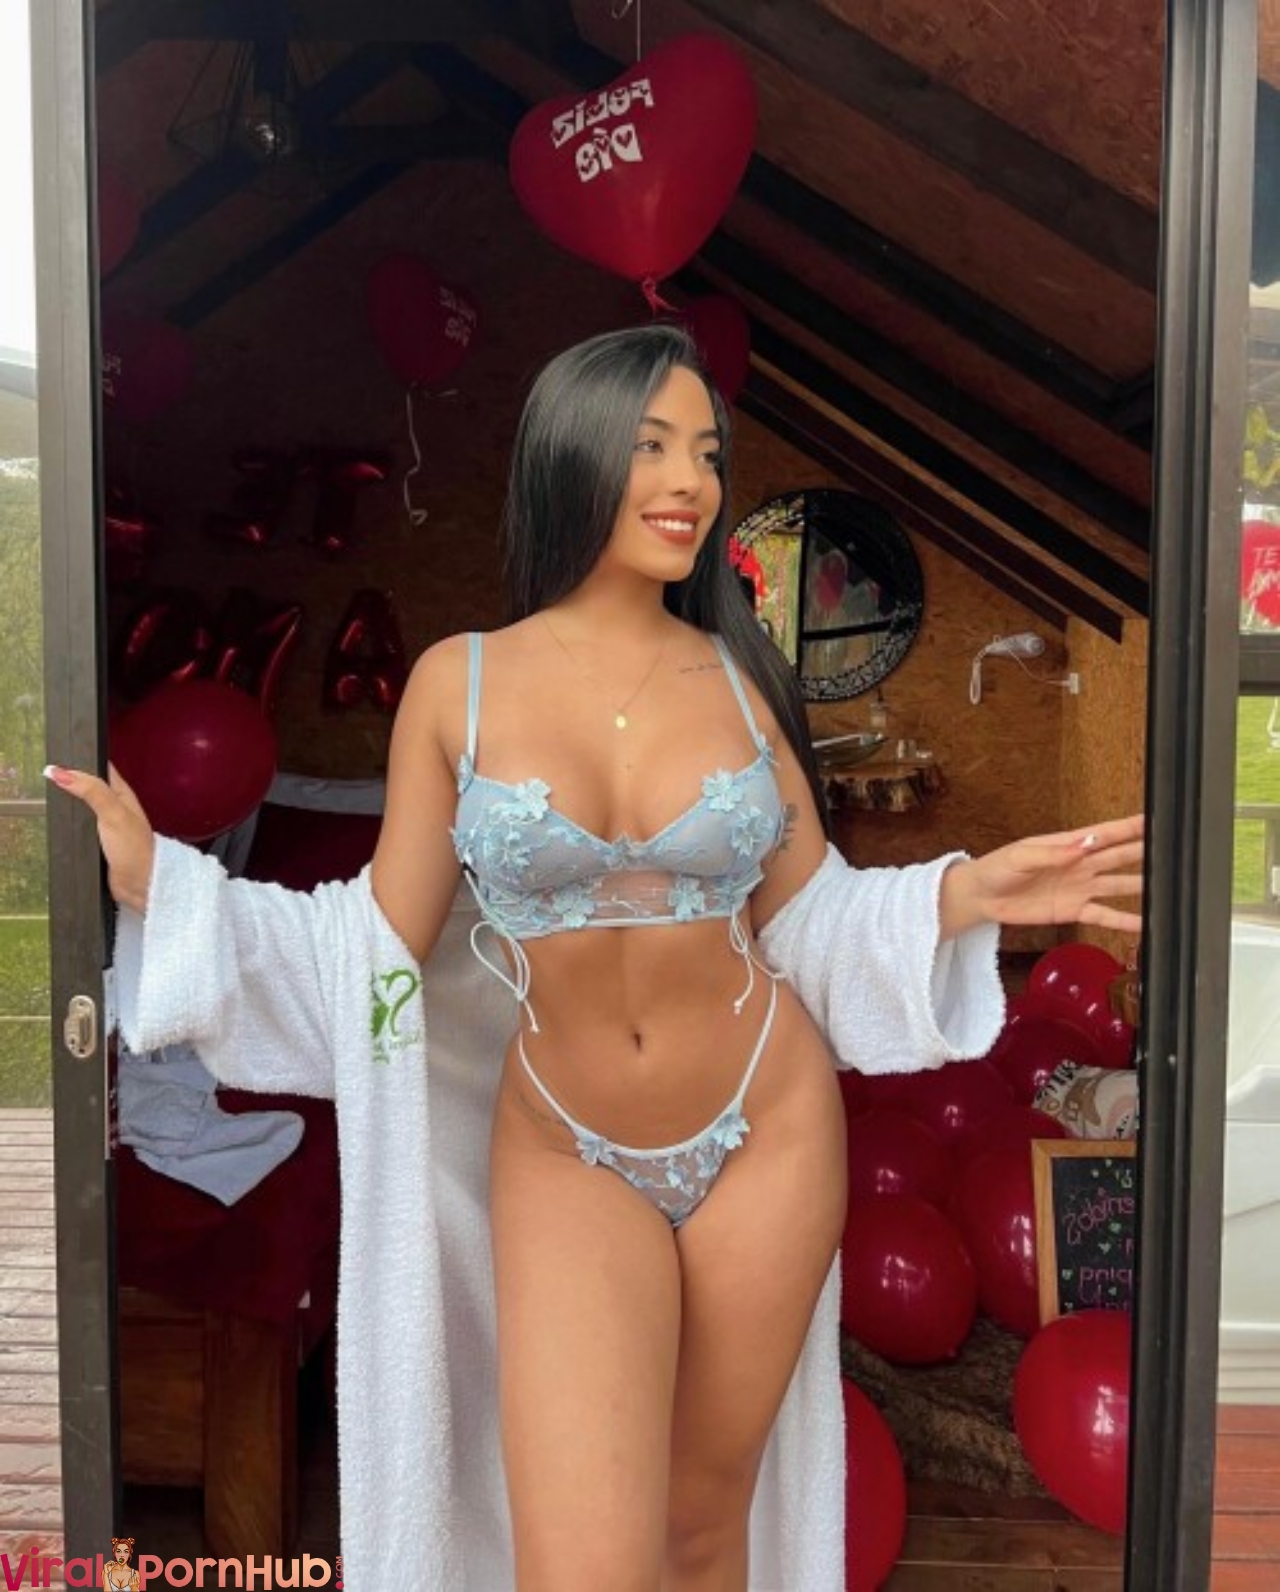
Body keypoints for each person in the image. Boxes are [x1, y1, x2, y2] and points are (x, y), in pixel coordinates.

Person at [50, 325, 1143, 1592]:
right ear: (571, 455)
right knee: (579, 1562)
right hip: (564, 1142)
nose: (690, 481)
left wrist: (965, 892)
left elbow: (810, 917)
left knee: (701, 1530)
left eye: (707, 452)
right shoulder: (457, 685)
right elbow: (374, 939)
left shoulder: (742, 678)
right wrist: (170, 888)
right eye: (651, 446)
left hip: (765, 1128)